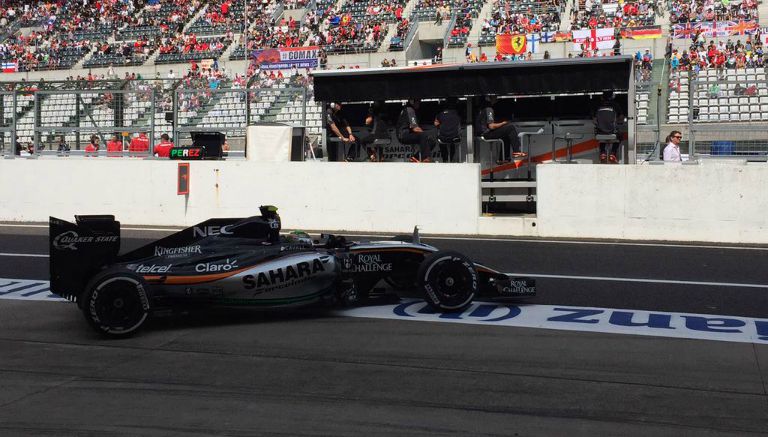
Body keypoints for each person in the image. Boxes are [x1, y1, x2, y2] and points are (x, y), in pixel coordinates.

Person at [475, 96, 525, 164]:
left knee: (506, 132)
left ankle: (504, 158)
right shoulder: (489, 109)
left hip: (481, 134)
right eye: (495, 96)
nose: (496, 98)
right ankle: (517, 153)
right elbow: (491, 126)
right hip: (486, 134)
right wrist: (503, 123)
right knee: (511, 128)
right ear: (489, 98)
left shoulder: (482, 109)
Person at [594, 91, 622, 163]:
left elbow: (594, 119)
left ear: (602, 97)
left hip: (600, 131)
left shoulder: (597, 105)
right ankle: (613, 153)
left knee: (601, 135)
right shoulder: (615, 105)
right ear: (612, 97)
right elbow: (621, 117)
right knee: (620, 136)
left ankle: (603, 153)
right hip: (612, 131)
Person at [434, 97, 461, 163]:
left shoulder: (440, 113)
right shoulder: (457, 112)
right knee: (453, 141)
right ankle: (452, 160)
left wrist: (441, 126)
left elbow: (436, 123)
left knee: (442, 141)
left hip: (443, 138)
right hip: (455, 138)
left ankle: (445, 160)